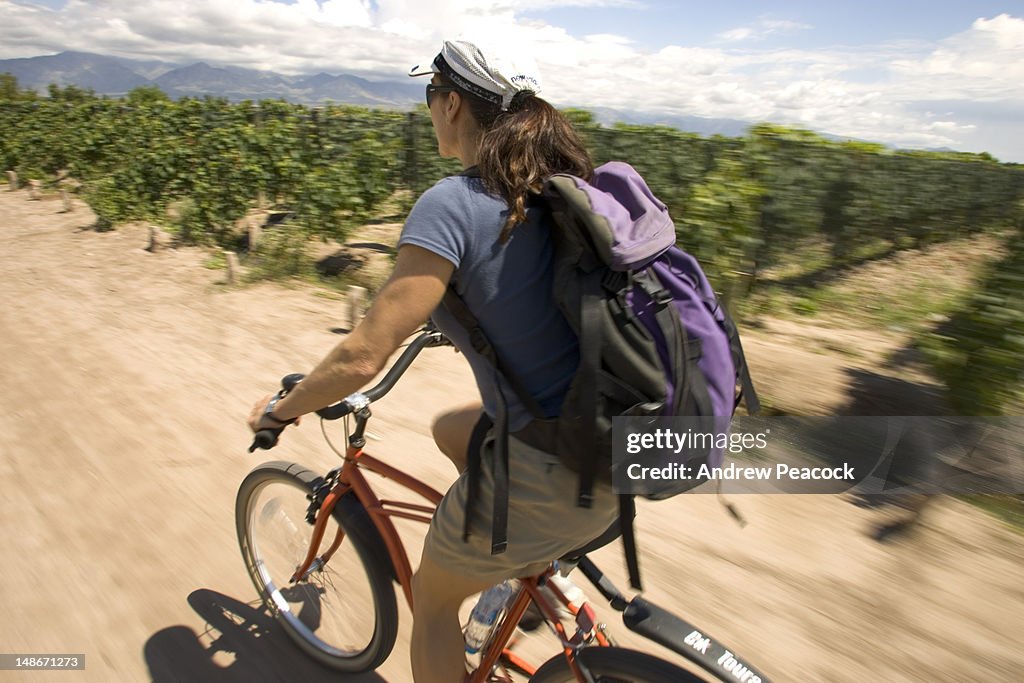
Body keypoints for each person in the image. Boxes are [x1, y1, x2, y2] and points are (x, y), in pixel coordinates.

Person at [248, 39, 618, 682]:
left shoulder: (452, 203)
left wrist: (281, 410)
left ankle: (514, 555)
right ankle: (533, 569)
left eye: (429, 97)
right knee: (452, 429)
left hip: (564, 466)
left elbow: (364, 356)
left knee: (433, 597)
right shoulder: (549, 190)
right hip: (627, 435)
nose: (427, 109)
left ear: (450, 104)